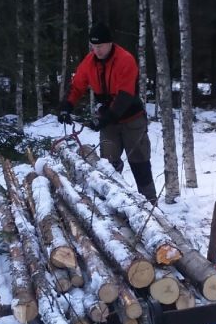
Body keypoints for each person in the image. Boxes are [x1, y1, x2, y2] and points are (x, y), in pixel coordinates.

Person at [58, 23, 158, 203]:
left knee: (139, 162)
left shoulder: (125, 60)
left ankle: (151, 204)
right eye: (94, 46)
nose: (97, 50)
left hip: (132, 119)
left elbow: (125, 96)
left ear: (110, 43)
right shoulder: (89, 62)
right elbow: (77, 86)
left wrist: (105, 119)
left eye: (101, 46)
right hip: (109, 121)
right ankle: (114, 204)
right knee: (108, 165)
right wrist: (67, 106)